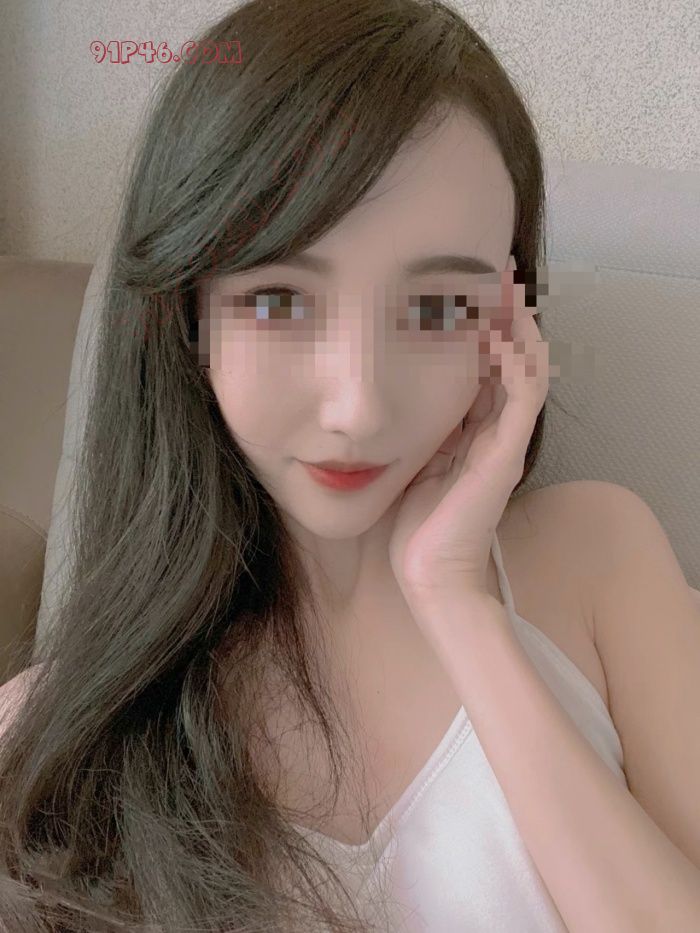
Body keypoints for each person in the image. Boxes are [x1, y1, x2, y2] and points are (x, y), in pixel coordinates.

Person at [0, 1, 631, 930]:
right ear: (188, 314)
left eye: (437, 309)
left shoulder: (601, 556)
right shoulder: (50, 745)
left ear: (509, 325)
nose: (359, 407)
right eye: (280, 300)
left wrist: (462, 603)